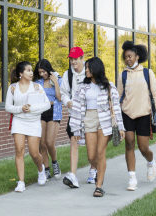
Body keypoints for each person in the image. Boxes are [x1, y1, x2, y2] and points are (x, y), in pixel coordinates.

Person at [70, 57, 125, 197]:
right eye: (86, 67)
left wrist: (120, 127)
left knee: (100, 153)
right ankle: (100, 171)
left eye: (88, 67)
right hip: (89, 119)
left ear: (96, 68)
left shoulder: (109, 86)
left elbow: (116, 107)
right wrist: (76, 128)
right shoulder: (83, 87)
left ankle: (98, 186)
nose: (86, 69)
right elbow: (76, 108)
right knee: (91, 156)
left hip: (104, 120)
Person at [118, 41, 156, 191]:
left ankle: (150, 162)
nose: (128, 59)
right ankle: (132, 178)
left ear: (137, 56)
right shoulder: (122, 75)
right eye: (126, 57)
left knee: (143, 148)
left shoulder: (147, 73)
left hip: (144, 114)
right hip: (127, 114)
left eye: (130, 56)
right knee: (129, 143)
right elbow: (118, 96)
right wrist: (116, 118)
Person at [6, 61, 51, 192]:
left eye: (32, 70)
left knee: (34, 152)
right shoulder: (13, 88)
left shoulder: (37, 87)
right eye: (28, 70)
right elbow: (8, 106)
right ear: (21, 73)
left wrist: (31, 109)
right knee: (19, 150)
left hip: (33, 122)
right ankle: (21, 182)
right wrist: (21, 108)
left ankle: (41, 170)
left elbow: (47, 104)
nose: (32, 72)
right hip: (19, 121)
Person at [60, 47, 97, 188]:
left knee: (91, 144)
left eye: (76, 59)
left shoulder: (90, 71)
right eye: (71, 59)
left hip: (90, 113)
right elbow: (63, 92)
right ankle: (73, 175)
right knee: (73, 142)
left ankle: (93, 170)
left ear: (82, 58)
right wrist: (67, 101)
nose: (73, 61)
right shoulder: (67, 74)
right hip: (74, 114)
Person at [33, 59, 62, 180]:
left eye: (44, 71)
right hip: (41, 113)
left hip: (53, 112)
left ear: (48, 69)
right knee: (42, 144)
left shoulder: (58, 79)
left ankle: (54, 162)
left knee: (50, 143)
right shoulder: (37, 82)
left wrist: (55, 82)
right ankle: (46, 169)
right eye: (40, 72)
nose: (42, 74)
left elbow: (60, 98)